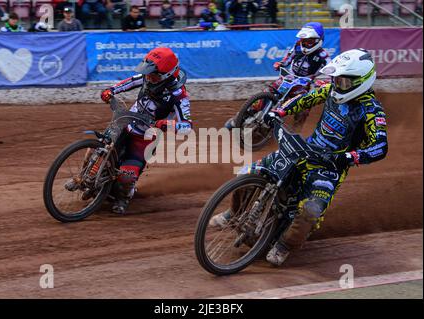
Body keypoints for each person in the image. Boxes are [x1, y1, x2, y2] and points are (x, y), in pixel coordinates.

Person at [211, 48, 388, 266]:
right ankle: (234, 212)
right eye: (335, 79)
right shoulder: (331, 90)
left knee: (310, 210)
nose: (336, 84)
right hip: (305, 149)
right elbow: (306, 98)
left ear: (360, 81)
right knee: (247, 172)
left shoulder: (371, 110)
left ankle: (284, 246)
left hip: (330, 166)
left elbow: (380, 147)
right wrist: (280, 111)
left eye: (342, 81)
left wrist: (350, 157)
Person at [99, 48, 192, 214]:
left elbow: (187, 127)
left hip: (144, 139)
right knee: (97, 149)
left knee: (126, 176)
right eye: (147, 73)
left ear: (165, 75)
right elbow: (128, 82)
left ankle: (125, 196)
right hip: (125, 122)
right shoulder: (147, 77)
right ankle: (85, 177)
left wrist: (166, 125)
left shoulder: (179, 95)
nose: (148, 77)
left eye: (152, 75)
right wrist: (110, 90)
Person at [224, 22, 331, 129]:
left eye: (309, 41)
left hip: (302, 85)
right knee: (265, 95)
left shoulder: (323, 56)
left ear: (318, 40)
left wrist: (324, 83)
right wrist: (281, 63)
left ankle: (295, 133)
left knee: (304, 108)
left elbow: (332, 72)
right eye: (304, 40)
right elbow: (288, 58)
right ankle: (238, 119)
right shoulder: (298, 46)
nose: (305, 43)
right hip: (287, 78)